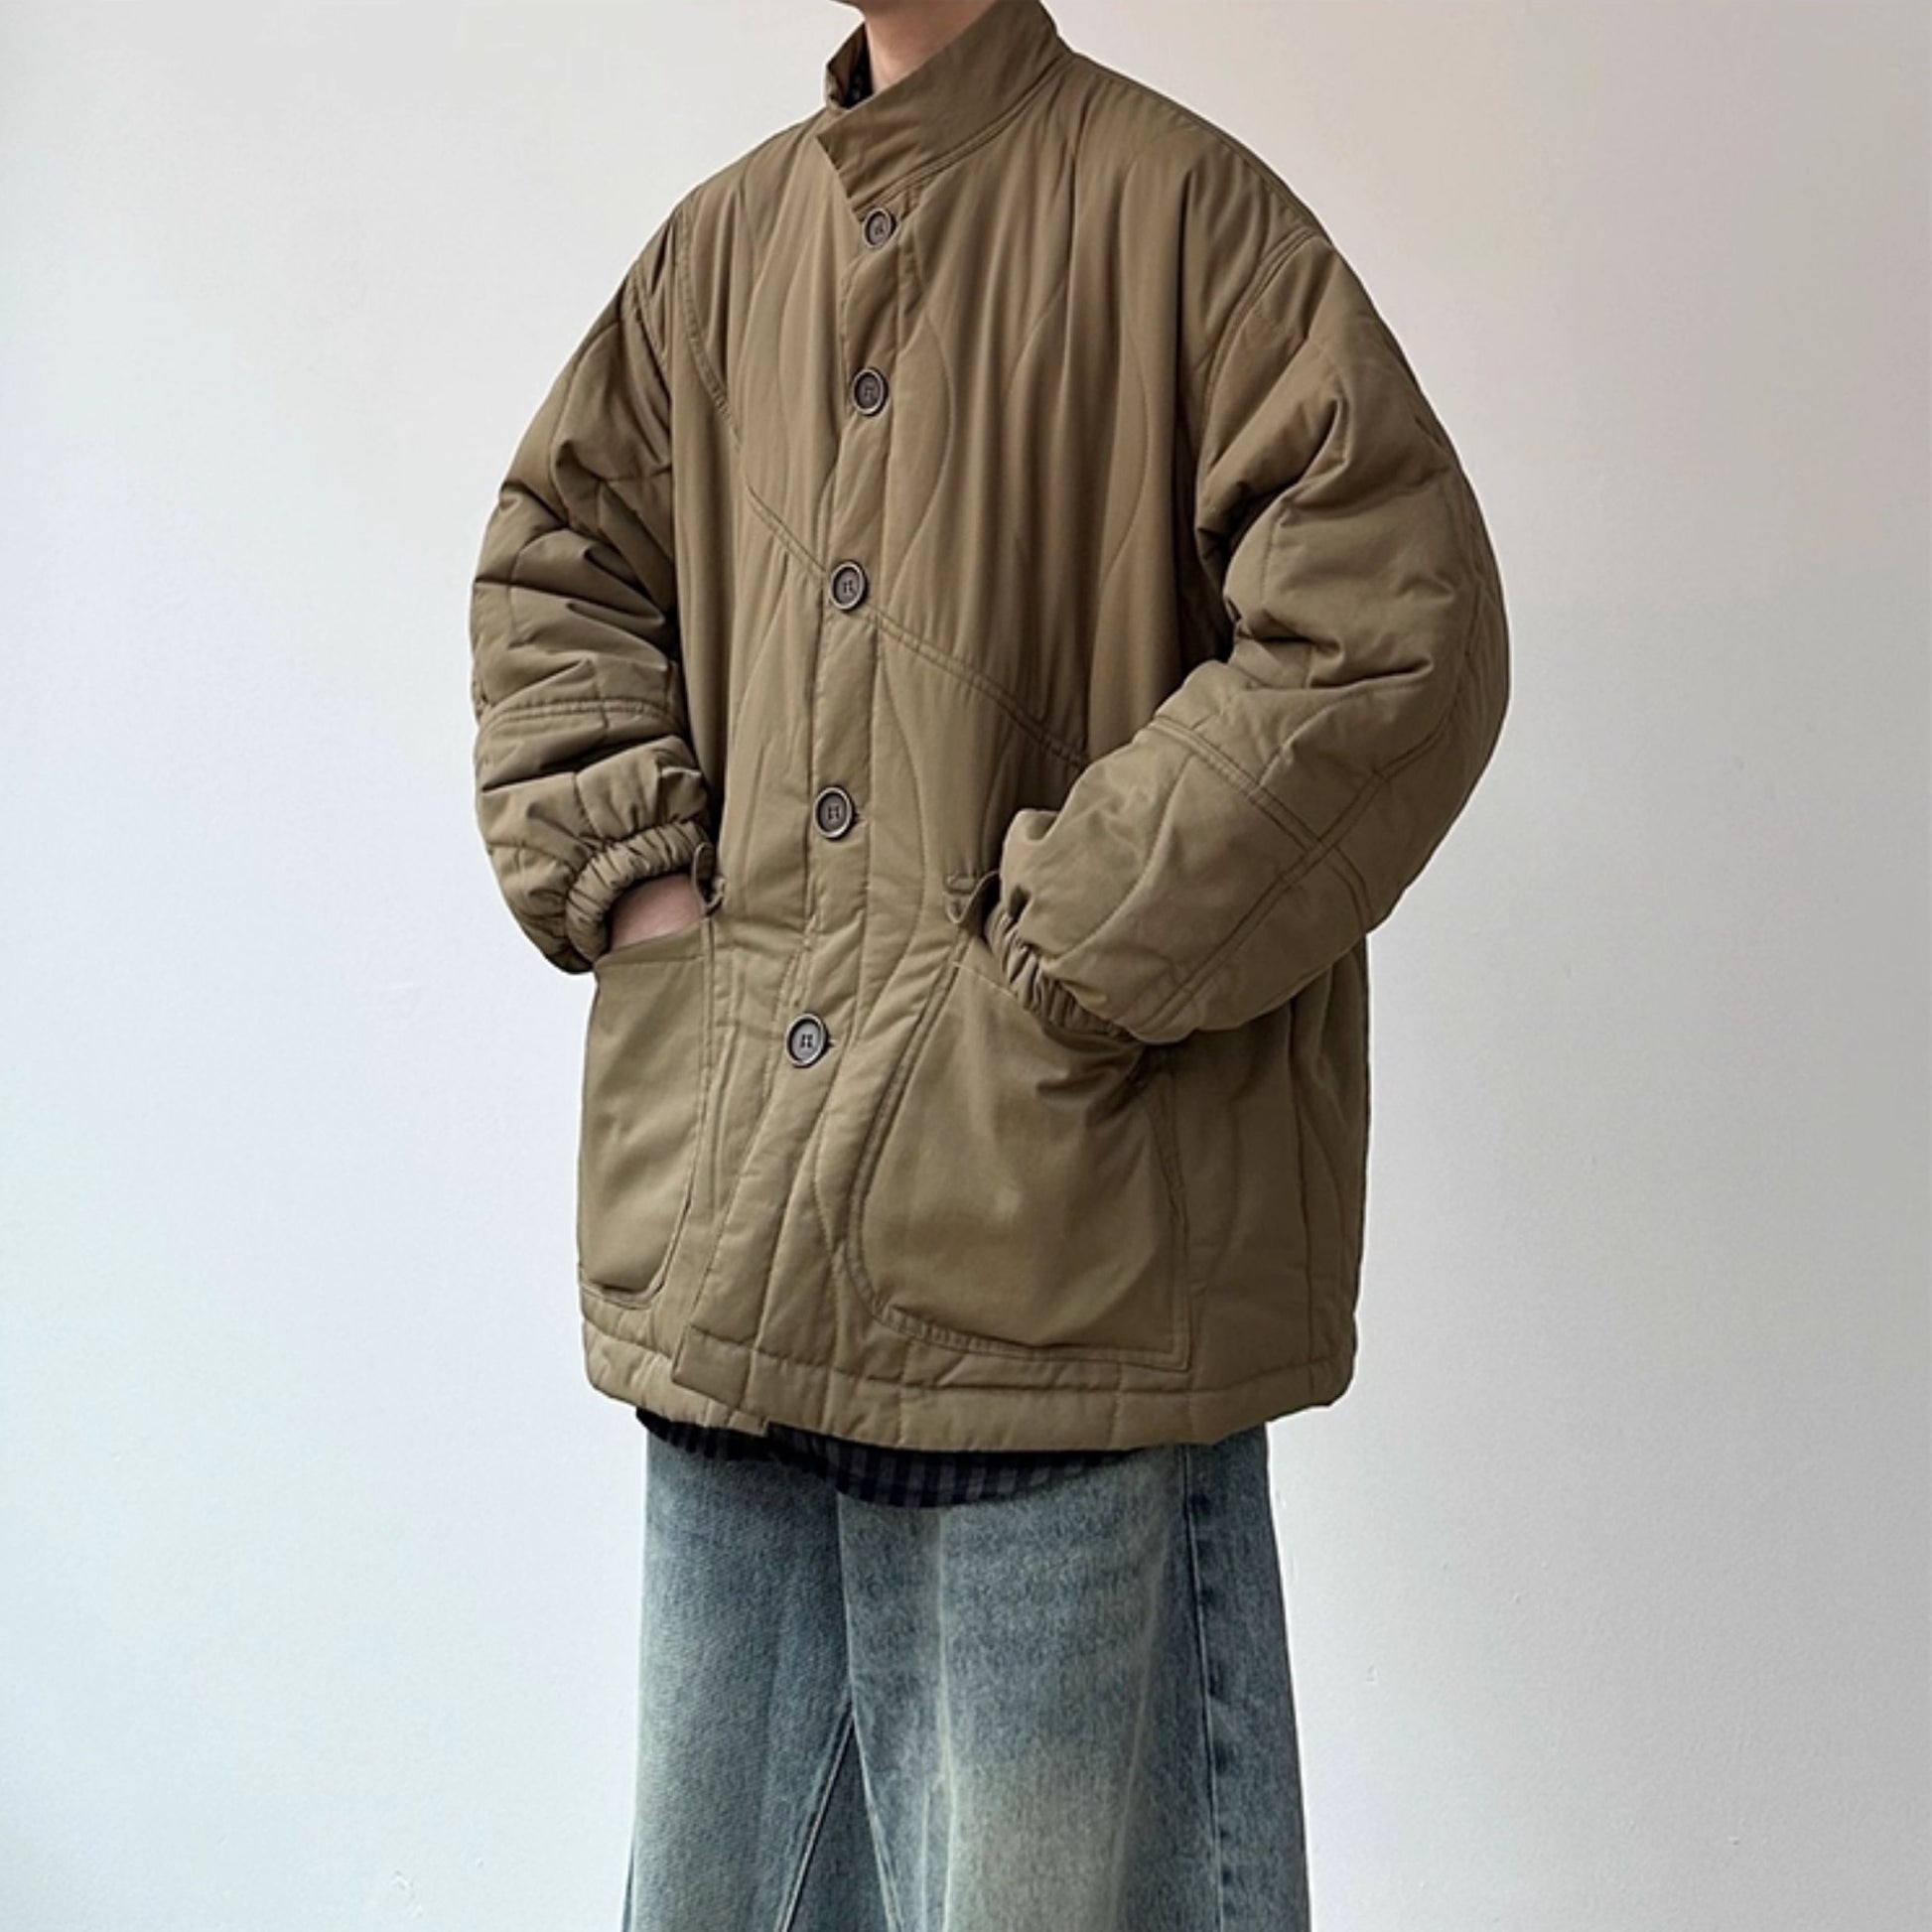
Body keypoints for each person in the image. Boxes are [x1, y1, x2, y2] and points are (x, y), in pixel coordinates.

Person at [467, 1, 1511, 1924]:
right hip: (738, 1268)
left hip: (1049, 1277)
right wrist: (646, 898)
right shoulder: (719, 250)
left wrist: (1059, 959)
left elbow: (1392, 636)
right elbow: (557, 569)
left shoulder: (1187, 218)